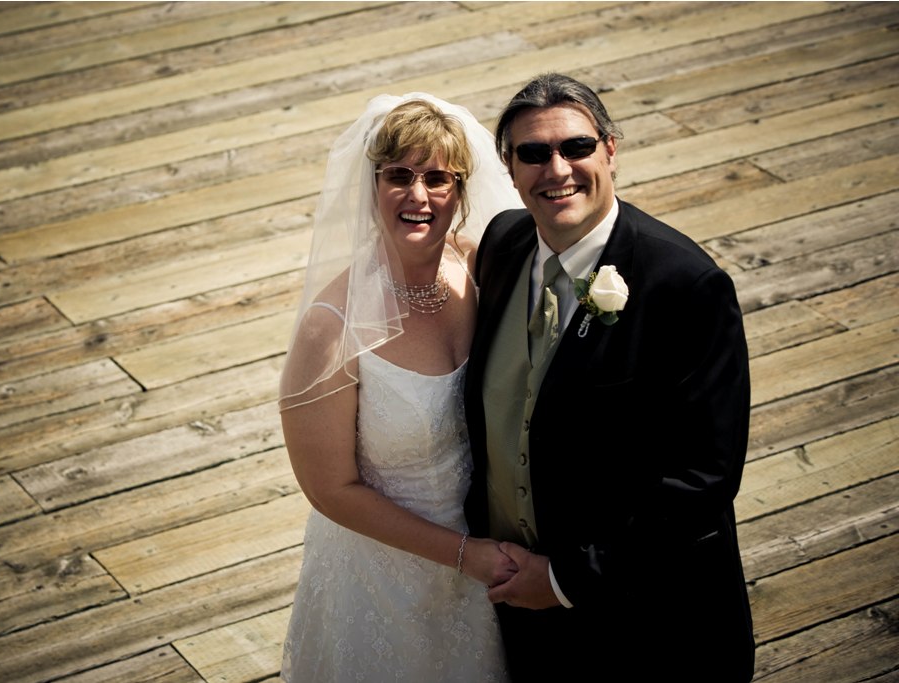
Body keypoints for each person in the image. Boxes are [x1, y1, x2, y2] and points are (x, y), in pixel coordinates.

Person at [463, 73, 755, 682]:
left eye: (576, 147)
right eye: (534, 154)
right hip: (517, 608)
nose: (557, 169)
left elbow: (702, 478)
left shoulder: (686, 286)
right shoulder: (502, 244)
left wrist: (567, 579)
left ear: (611, 149)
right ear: (509, 168)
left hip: (647, 623)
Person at [279, 93, 524, 681]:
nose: (419, 196)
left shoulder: (476, 269)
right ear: (372, 188)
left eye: (438, 178)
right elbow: (331, 490)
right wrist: (465, 556)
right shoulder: (329, 327)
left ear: (460, 193)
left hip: (491, 553)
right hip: (381, 572)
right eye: (400, 176)